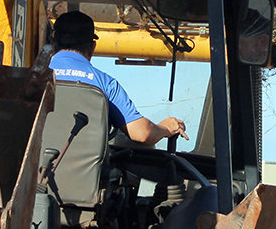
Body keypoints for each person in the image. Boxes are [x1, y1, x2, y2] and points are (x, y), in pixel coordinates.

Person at [48, 10, 187, 147]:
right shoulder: (105, 84)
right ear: (92, 48)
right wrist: (165, 128)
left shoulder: (33, 78)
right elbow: (142, 133)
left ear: (53, 44)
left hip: (33, 168)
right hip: (84, 170)